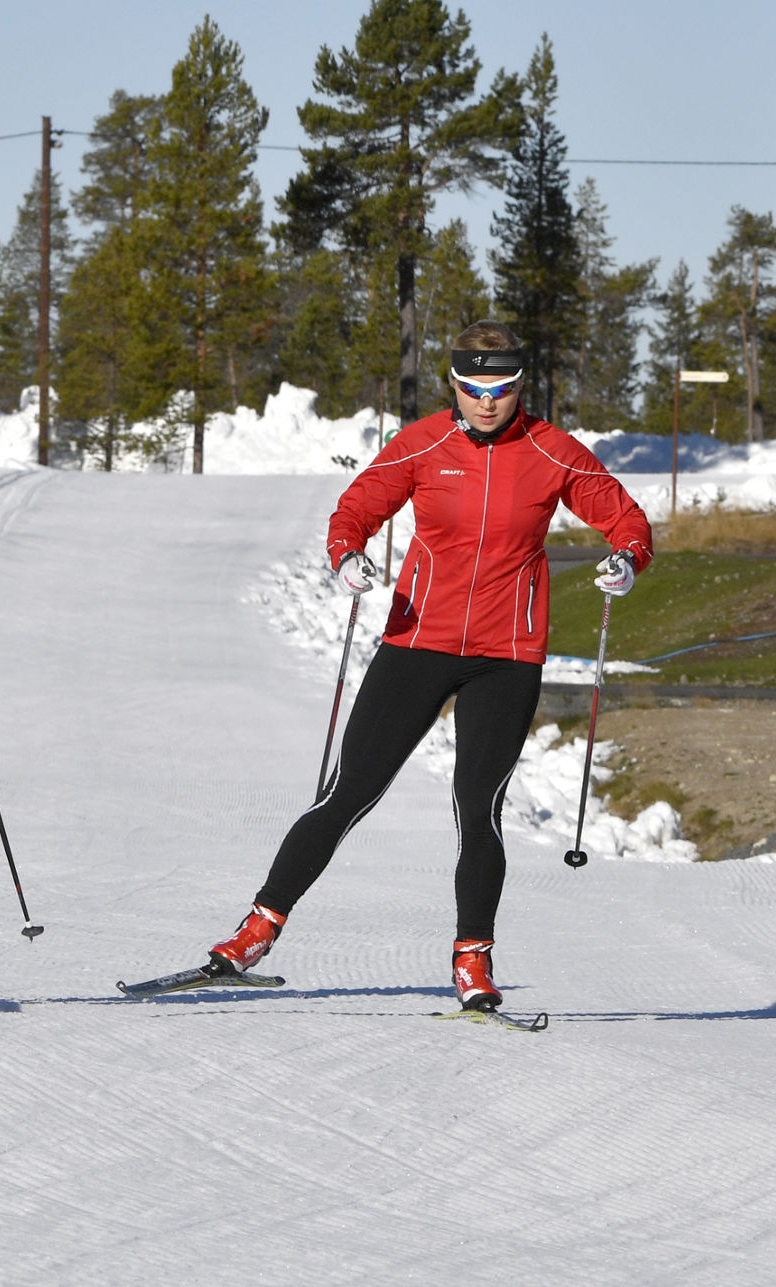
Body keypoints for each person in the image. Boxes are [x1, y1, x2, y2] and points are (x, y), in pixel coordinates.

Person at [200, 321, 653, 1010]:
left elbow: (627, 519)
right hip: (417, 643)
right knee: (346, 794)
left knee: (480, 808)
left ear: (519, 386)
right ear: (453, 385)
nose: (486, 403)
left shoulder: (552, 450)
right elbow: (357, 506)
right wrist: (346, 554)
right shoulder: (423, 443)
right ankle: (258, 927)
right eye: (473, 389)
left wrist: (626, 559)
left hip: (506, 655)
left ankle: (473, 957)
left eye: (499, 390)